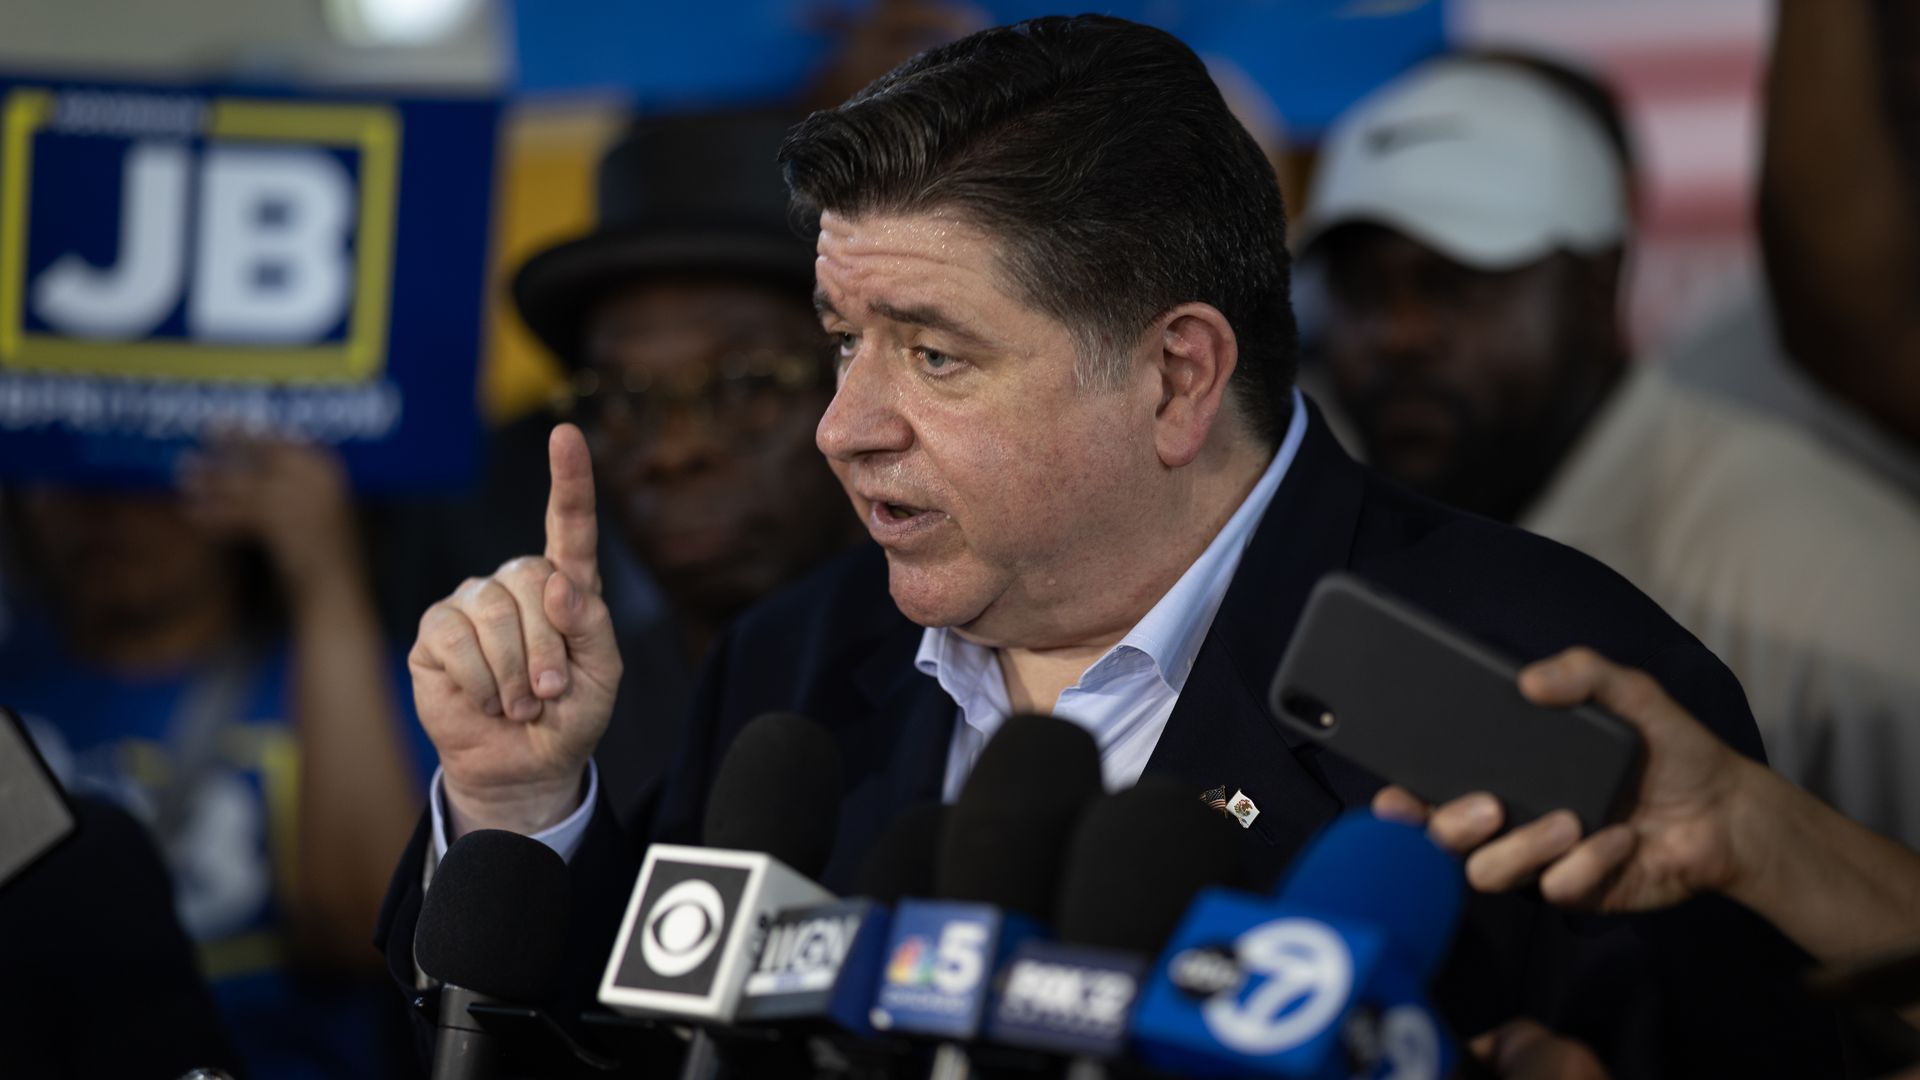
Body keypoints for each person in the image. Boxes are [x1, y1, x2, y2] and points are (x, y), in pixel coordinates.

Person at [380, 17, 1844, 1075]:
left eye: (934, 356)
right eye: (842, 343)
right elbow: (624, 1044)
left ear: (1175, 377)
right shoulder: (797, 661)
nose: (843, 426)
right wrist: (521, 808)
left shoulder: (1533, 685)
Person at [1304, 54, 1920, 849]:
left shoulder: (1831, 580)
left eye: (1457, 281)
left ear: (1598, 285)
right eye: (1361, 290)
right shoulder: (1321, 539)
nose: (1401, 334)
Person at [371, 109, 865, 829]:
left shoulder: (969, 687)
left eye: (745, 385)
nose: (672, 450)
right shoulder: (561, 707)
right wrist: (516, 810)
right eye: (625, 400)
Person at [1, 439, 433, 1079]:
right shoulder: (14, 684)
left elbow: (374, 932)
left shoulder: (345, 681)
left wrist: (325, 574)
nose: (104, 508)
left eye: (152, 471)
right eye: (66, 464)